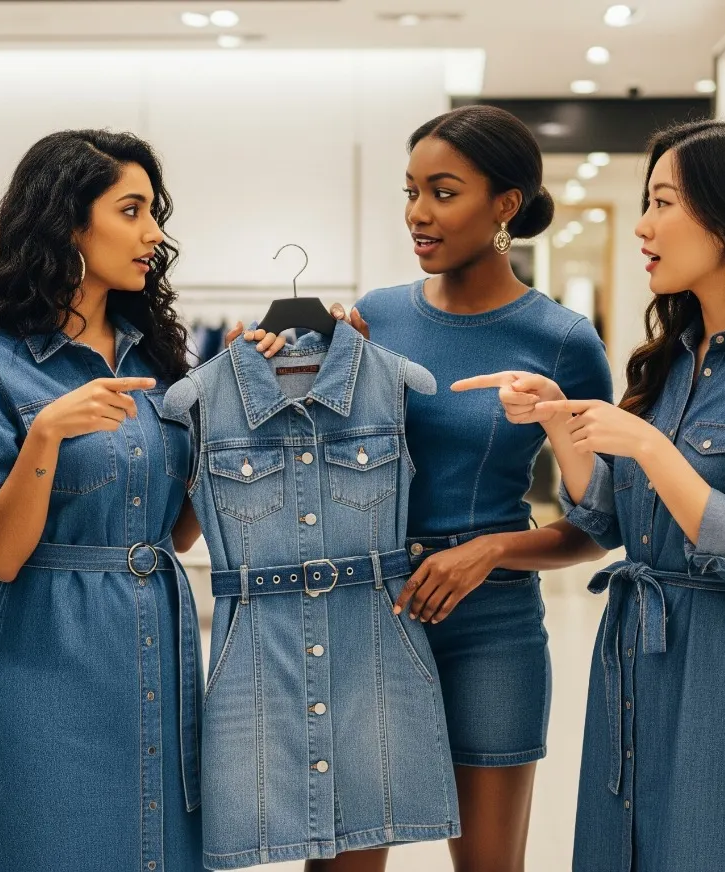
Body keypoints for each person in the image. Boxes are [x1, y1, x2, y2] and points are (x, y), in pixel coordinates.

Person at [454, 117, 725, 872]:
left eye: (663, 203)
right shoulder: (677, 359)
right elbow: (607, 518)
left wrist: (647, 444)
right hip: (632, 653)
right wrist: (562, 419)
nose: (644, 227)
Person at [238, 104, 614, 872]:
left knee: (487, 866)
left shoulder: (563, 340)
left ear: (505, 205)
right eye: (410, 191)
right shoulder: (374, 316)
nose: (418, 213)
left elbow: (600, 522)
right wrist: (294, 380)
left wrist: (491, 551)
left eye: (443, 192)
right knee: (341, 863)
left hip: (491, 626)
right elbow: (321, 467)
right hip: (364, 607)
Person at [0, 130, 205, 871]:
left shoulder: (156, 359)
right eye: (132, 210)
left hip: (161, 633)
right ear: (66, 222)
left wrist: (232, 416)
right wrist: (45, 438)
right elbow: (1, 555)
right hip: (54, 652)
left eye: (155, 212)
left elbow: (180, 534)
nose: (155, 234)